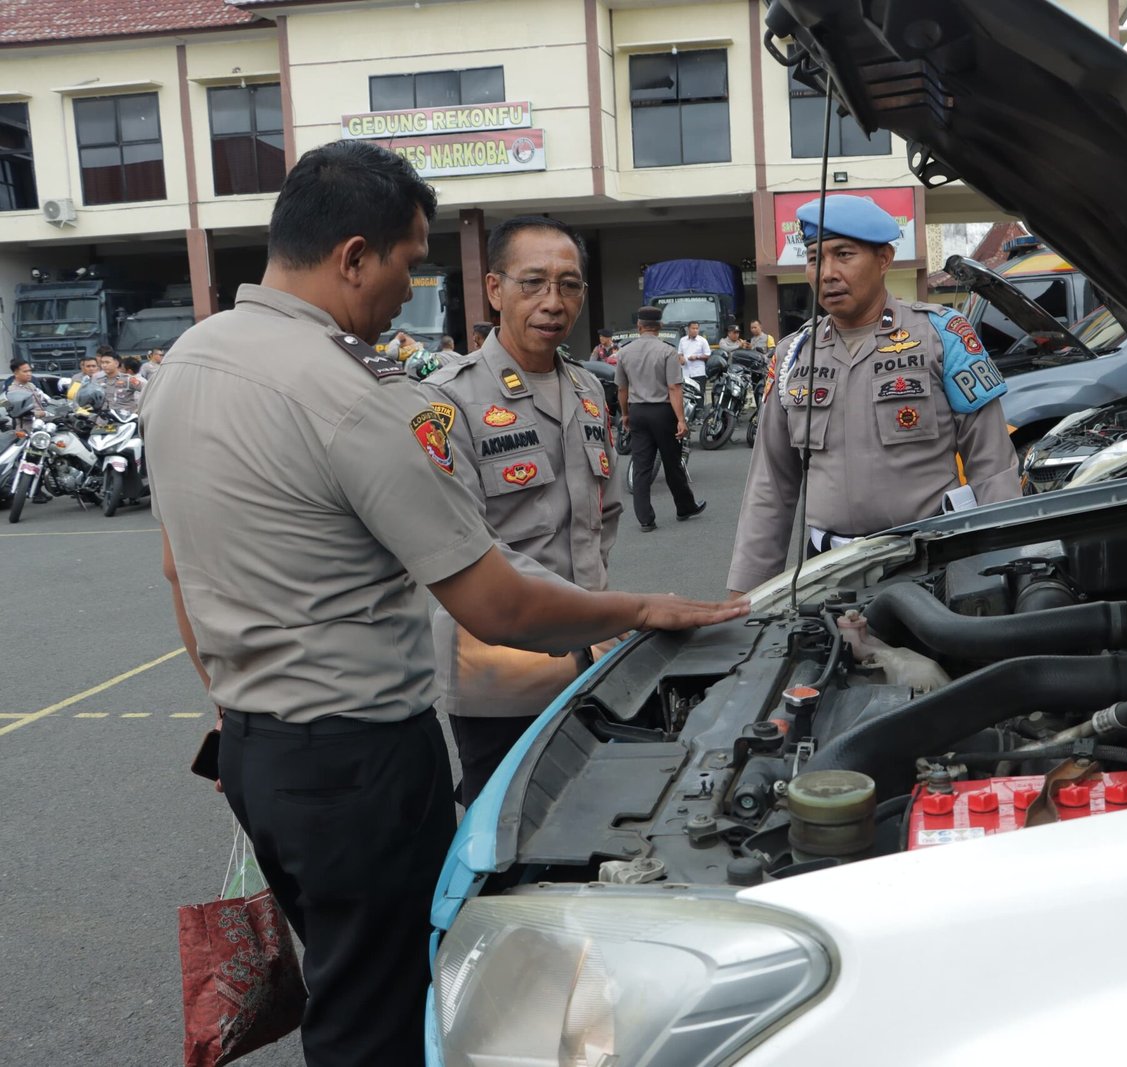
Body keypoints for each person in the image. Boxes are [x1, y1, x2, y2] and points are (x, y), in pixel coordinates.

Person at [140, 140, 744, 1067]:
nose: (410, 288)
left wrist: (235, 701)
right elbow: (496, 605)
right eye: (408, 263)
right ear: (353, 256)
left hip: (256, 750)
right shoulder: (352, 395)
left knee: (349, 979)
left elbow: (179, 571)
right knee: (384, 1012)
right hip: (361, 761)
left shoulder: (188, 360)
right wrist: (642, 609)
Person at [420, 215, 622, 807]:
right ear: (494, 289)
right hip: (501, 674)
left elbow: (603, 517)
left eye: (569, 285)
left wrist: (596, 618)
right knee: (504, 822)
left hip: (591, 659)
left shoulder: (588, 390)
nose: (552, 302)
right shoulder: (448, 398)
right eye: (532, 282)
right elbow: (464, 546)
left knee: (588, 813)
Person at [726, 193, 1021, 596]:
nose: (827, 273)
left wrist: (1001, 571)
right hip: (829, 578)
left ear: (884, 259)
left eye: (843, 254)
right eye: (814, 258)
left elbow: (993, 468)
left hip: (931, 571)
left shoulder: (941, 335)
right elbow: (771, 485)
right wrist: (747, 593)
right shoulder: (793, 354)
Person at [615, 306, 705, 531]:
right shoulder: (667, 351)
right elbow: (674, 387)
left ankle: (645, 519)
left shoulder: (624, 352)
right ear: (660, 326)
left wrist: (625, 414)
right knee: (672, 462)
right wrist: (681, 419)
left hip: (637, 411)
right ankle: (685, 507)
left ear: (639, 326)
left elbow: (622, 389)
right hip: (662, 412)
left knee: (641, 466)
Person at [677, 320, 711, 387]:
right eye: (693, 328)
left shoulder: (703, 341)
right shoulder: (682, 340)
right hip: (686, 373)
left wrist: (697, 357)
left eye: (697, 328)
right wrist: (681, 358)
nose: (695, 330)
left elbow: (708, 355)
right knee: (687, 392)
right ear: (688, 329)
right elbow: (680, 353)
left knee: (700, 392)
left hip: (698, 373)